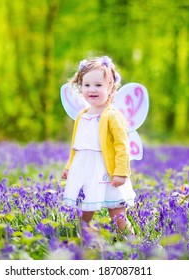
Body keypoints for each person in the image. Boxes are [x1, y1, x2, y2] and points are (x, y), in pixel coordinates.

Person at [61, 55, 135, 235]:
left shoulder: (112, 115)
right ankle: (86, 237)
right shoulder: (82, 115)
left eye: (98, 85)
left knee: (116, 211)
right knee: (84, 209)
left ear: (111, 87)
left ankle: (130, 241)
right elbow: (77, 147)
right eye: (86, 85)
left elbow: (122, 146)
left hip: (106, 171)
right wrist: (69, 167)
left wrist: (120, 172)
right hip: (85, 169)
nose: (91, 90)